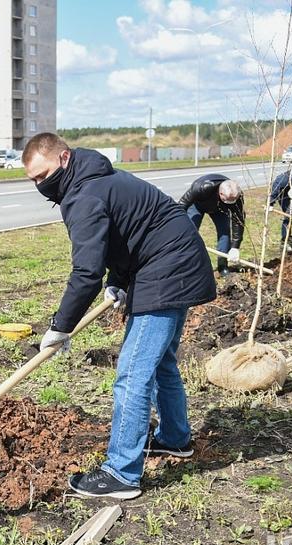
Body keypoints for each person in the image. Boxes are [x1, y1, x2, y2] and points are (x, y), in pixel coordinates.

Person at [22, 133, 216, 499]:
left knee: (132, 374)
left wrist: (59, 327)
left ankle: (122, 473)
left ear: (63, 158)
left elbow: (85, 273)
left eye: (43, 175)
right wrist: (120, 281)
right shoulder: (94, 179)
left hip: (168, 271)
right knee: (161, 364)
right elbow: (129, 234)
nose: (40, 185)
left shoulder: (85, 195)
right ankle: (175, 439)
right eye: (33, 180)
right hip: (170, 261)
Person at [178, 175, 245, 277]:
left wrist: (235, 246)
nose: (230, 203)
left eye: (232, 201)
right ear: (220, 193)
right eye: (227, 200)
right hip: (197, 206)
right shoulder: (200, 187)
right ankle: (186, 266)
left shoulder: (237, 195)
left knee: (225, 234)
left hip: (220, 210)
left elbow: (238, 220)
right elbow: (182, 205)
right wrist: (177, 223)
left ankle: (222, 267)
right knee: (190, 233)